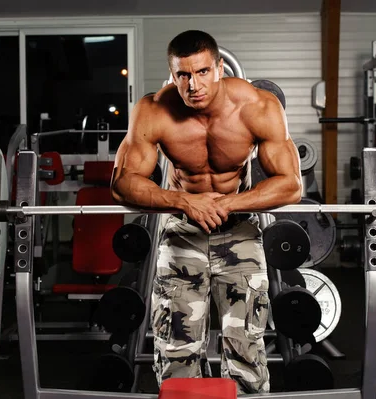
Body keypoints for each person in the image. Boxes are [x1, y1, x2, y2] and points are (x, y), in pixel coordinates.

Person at [111, 30, 302, 394]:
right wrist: (185, 201)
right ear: (172, 74)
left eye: (201, 72)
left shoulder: (257, 106)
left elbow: (291, 184)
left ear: (218, 68)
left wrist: (226, 202)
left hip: (240, 231)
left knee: (246, 344)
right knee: (175, 346)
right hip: (183, 231)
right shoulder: (153, 111)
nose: (193, 84)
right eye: (183, 75)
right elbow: (121, 184)